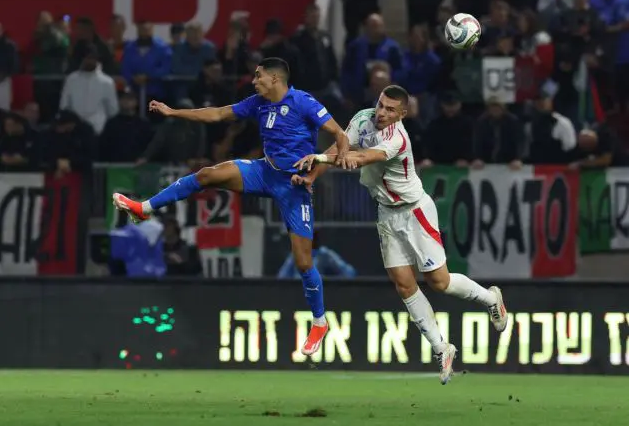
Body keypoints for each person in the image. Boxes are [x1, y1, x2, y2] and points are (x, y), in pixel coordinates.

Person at [112, 57, 350, 356]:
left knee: (303, 262)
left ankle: (319, 321)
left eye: (258, 76)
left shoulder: (302, 101)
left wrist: (321, 165)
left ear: (275, 79)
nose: (254, 81)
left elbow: (341, 135)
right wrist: (174, 112)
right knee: (207, 175)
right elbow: (218, 114)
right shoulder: (258, 102)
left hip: (294, 187)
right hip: (265, 171)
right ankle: (144, 208)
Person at [292, 85, 508, 384]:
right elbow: (338, 148)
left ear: (402, 114)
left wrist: (323, 158)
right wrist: (311, 175)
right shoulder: (363, 118)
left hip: (414, 211)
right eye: (381, 105)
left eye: (390, 109)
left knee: (439, 283)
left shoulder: (398, 138)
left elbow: (363, 157)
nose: (381, 113)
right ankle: (441, 347)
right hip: (386, 213)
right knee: (404, 285)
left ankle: (490, 298)